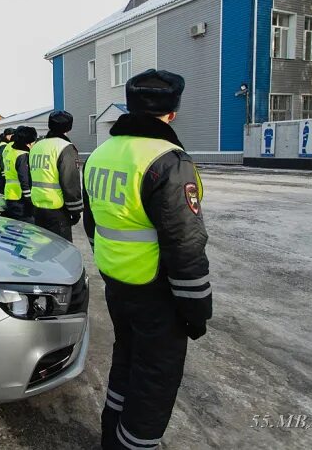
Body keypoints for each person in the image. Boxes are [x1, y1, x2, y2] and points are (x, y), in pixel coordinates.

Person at [83, 69, 211, 450]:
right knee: (154, 379)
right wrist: (196, 306)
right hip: (158, 292)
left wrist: (114, 265)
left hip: (118, 285)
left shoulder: (100, 154)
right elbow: (184, 242)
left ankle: (113, 437)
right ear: (172, 112)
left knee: (126, 362)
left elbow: (93, 224)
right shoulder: (167, 159)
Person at [29, 110, 83, 242]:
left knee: (41, 245)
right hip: (57, 209)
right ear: (69, 127)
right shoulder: (65, 147)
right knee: (60, 251)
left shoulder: (36, 146)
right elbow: (70, 181)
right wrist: (75, 210)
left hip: (37, 205)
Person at [3, 126, 36, 222]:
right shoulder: (22, 155)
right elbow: (24, 179)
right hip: (20, 197)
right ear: (28, 142)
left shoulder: (11, 152)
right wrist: (30, 200)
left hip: (10, 193)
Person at [0, 127, 15, 194]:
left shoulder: (2, 144)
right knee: (1, 192)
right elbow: (1, 160)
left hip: (0, 172)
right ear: (8, 136)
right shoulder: (4, 145)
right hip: (2, 173)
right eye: (12, 135)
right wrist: (4, 171)